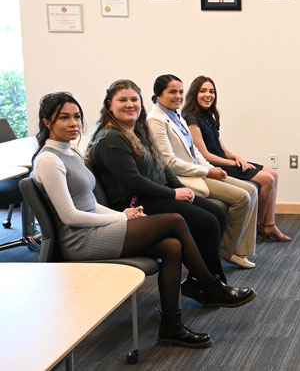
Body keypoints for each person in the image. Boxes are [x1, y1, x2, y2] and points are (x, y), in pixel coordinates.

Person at [33, 92, 252, 349]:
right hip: (80, 239)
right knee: (173, 221)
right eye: (64, 118)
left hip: (95, 228)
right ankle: (210, 285)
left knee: (172, 246)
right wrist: (118, 221)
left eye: (77, 117)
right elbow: (69, 216)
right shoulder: (49, 160)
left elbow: (90, 205)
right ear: (47, 122)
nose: (73, 123)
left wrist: (122, 215)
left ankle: (171, 327)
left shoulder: (71, 152)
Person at [87, 79, 255, 308]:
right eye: (122, 100)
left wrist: (177, 188)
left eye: (134, 99)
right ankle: (211, 286)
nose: (130, 105)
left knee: (217, 214)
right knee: (207, 222)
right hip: (136, 204)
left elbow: (162, 165)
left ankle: (207, 283)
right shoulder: (111, 138)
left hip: (155, 196)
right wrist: (172, 194)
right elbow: (134, 182)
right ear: (109, 104)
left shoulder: (136, 129)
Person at [147, 74, 260, 268]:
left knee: (251, 189)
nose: (178, 96)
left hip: (199, 170)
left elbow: (195, 151)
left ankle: (240, 250)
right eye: (172, 92)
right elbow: (169, 162)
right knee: (243, 197)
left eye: (181, 91)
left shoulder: (176, 116)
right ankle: (227, 251)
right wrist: (206, 172)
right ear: (158, 94)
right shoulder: (155, 120)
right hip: (185, 177)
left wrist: (211, 168)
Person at [182, 75, 290, 242]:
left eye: (211, 91)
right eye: (203, 91)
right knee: (266, 179)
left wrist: (238, 158)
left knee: (273, 174)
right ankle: (258, 225)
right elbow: (205, 155)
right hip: (214, 166)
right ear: (194, 93)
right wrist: (232, 163)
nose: (208, 95)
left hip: (224, 160)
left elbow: (222, 149)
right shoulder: (191, 117)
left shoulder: (209, 115)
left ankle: (270, 224)